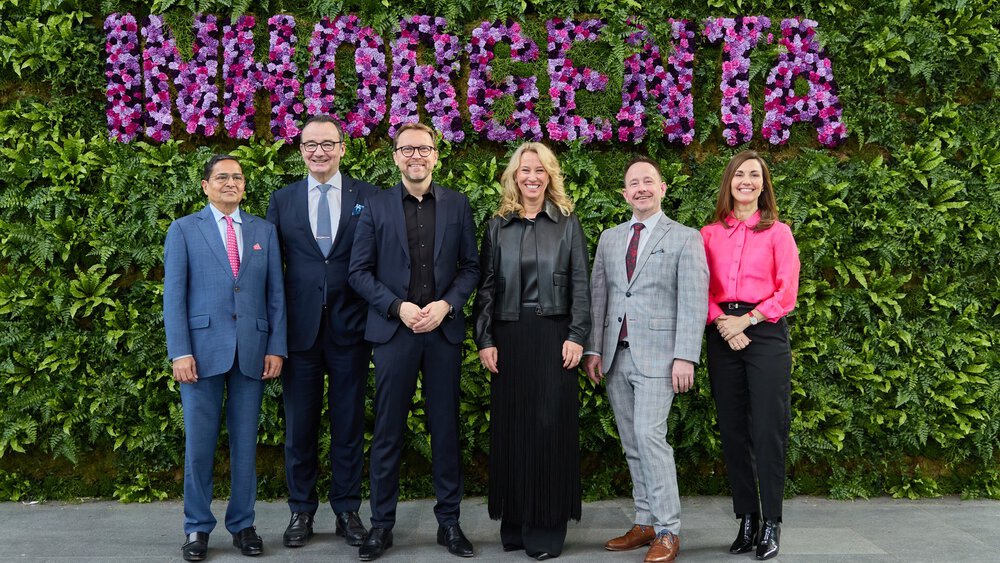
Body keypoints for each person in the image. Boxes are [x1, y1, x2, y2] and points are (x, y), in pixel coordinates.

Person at [348, 122, 480, 561]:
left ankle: (449, 523)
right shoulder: (375, 205)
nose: (415, 156)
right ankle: (381, 526)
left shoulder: (458, 205)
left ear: (436, 156)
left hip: (441, 333)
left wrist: (447, 305)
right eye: (407, 149)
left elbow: (471, 269)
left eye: (423, 149)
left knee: (445, 430)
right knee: (387, 432)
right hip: (394, 334)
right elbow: (359, 272)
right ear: (396, 157)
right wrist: (397, 307)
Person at [583, 157, 708, 563]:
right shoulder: (610, 238)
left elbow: (692, 300)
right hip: (616, 357)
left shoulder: (686, 237)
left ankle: (669, 529)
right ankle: (645, 521)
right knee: (632, 442)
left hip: (659, 358)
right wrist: (593, 349)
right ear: (624, 193)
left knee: (651, 438)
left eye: (648, 181)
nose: (641, 188)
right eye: (633, 183)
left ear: (663, 188)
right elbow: (598, 295)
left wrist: (686, 356)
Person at [163, 154, 287, 561]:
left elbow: (275, 295)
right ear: (205, 185)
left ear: (245, 186)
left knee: (245, 446)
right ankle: (197, 528)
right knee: (199, 446)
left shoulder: (263, 231)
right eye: (221, 177)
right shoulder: (183, 230)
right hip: (199, 354)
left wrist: (276, 346)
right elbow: (173, 298)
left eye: (237, 177)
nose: (230, 182)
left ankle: (243, 524)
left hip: (252, 352)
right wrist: (180, 351)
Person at [472, 143, 591, 560]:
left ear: (550, 175)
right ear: (514, 175)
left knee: (548, 427)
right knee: (514, 428)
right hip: (508, 338)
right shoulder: (496, 225)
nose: (532, 177)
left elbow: (580, 284)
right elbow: (485, 289)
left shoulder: (567, 224)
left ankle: (545, 527)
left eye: (539, 170)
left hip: (554, 336)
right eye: (525, 170)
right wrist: (485, 339)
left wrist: (577, 335)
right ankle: (517, 521)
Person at [265, 115, 379, 548]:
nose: (319, 151)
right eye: (310, 144)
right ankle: (301, 511)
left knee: (349, 425)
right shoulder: (283, 199)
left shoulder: (367, 197)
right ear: (300, 151)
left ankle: (348, 510)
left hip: (351, 330)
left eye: (327, 144)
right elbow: (274, 273)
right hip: (300, 333)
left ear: (342, 148)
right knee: (300, 427)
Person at [701, 150, 799, 561]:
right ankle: (747, 518)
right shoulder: (707, 234)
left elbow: (787, 292)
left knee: (767, 431)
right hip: (723, 333)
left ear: (763, 184)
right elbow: (699, 287)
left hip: (766, 334)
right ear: (729, 182)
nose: (746, 181)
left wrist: (749, 321)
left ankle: (772, 523)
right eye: (739, 174)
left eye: (754, 175)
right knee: (733, 431)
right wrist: (725, 322)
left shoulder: (779, 232)